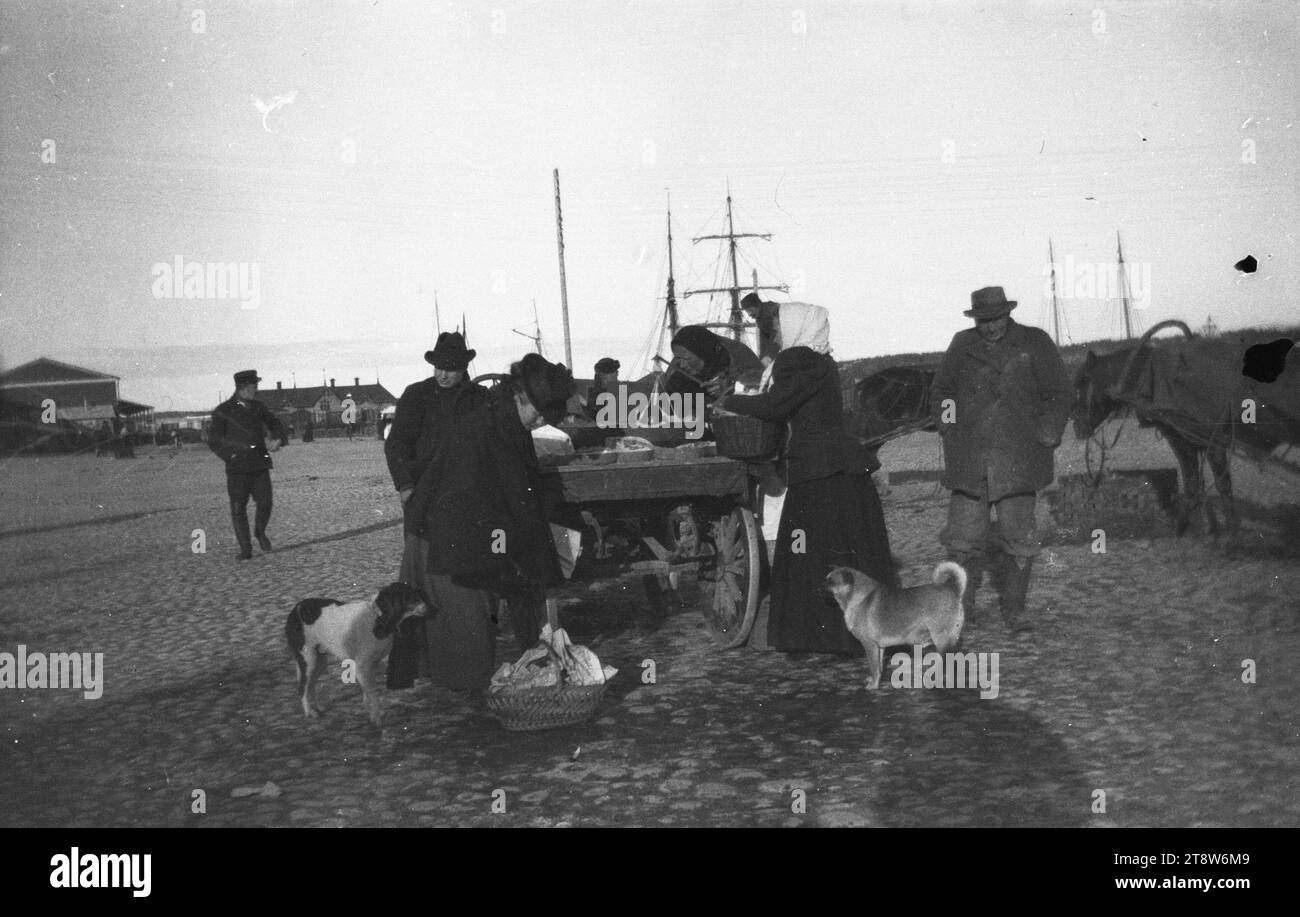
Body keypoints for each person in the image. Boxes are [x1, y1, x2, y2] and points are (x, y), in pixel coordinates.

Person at [718, 302, 897, 655]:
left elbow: (774, 406)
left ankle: (822, 636)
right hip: (839, 466)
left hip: (818, 470)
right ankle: (863, 632)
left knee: (812, 552)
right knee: (848, 547)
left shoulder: (797, 358)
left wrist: (731, 402)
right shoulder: (823, 360)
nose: (776, 334)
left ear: (796, 327)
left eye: (780, 326)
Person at [406, 353, 576, 693]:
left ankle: (476, 693)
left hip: (470, 525)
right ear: (519, 395)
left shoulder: (510, 420)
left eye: (547, 415)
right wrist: (514, 555)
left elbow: (519, 492)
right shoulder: (484, 424)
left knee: (477, 623)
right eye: (538, 411)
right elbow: (483, 495)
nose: (541, 420)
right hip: (448, 529)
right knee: (466, 627)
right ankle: (471, 705)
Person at [929, 286, 1071, 632]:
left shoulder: (1035, 342)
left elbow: (1059, 392)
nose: (990, 326)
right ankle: (960, 611)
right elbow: (942, 391)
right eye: (983, 320)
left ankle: (1015, 610)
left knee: (1019, 541)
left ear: (1008, 313)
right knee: (961, 542)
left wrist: (1048, 433)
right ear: (975, 319)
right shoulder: (961, 344)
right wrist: (948, 425)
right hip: (969, 461)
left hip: (1018, 460)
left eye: (996, 319)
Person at [208, 370, 287, 560]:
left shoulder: (258, 407)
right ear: (243, 388)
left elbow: (276, 424)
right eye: (254, 387)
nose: (257, 390)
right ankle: (245, 548)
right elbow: (214, 440)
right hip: (237, 468)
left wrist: (277, 439)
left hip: (259, 464)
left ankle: (259, 532)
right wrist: (231, 455)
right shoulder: (223, 410)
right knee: (238, 507)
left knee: (266, 503)